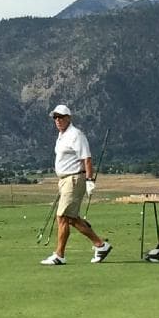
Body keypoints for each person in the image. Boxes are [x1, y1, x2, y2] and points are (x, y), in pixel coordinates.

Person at [40, 105, 111, 265]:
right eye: (55, 117)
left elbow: (87, 159)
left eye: (61, 117)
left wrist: (89, 180)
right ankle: (101, 245)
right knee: (71, 218)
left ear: (68, 118)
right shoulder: (61, 136)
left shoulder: (76, 135)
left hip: (74, 179)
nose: (57, 120)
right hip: (65, 180)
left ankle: (59, 255)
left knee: (62, 217)